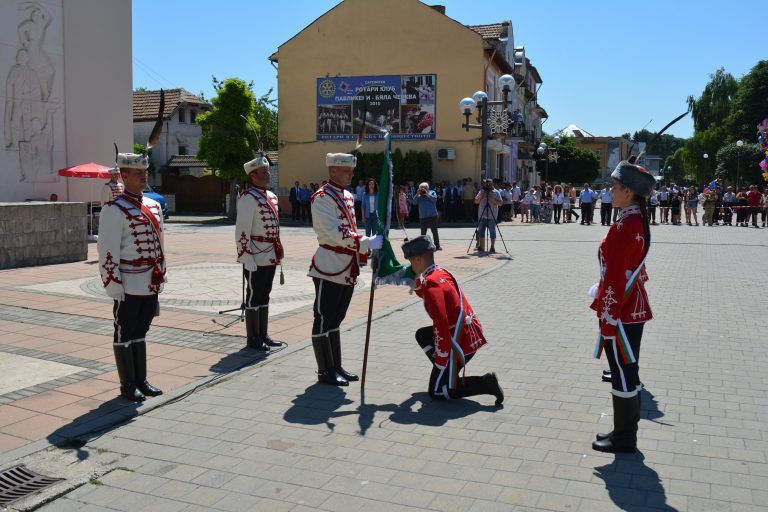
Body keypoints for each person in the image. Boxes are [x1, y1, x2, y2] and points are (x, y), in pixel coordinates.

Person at [590, 160, 654, 453]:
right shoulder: (636, 221)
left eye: (614, 187)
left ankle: (625, 436)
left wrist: (608, 319)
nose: (610, 191)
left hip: (622, 309)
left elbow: (615, 279)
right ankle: (626, 432)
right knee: (629, 369)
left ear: (628, 192)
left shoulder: (622, 227)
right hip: (634, 305)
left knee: (622, 370)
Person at [308, 153, 383, 386]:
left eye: (351, 170)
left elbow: (350, 226)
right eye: (346, 170)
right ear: (333, 171)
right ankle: (325, 370)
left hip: (347, 266)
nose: (351, 173)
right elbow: (333, 232)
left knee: (336, 318)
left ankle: (335, 365)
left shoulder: (348, 196)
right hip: (329, 265)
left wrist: (365, 247)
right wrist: (365, 242)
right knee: (323, 317)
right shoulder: (322, 198)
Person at [401, 236, 503, 405]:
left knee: (437, 392)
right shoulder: (438, 272)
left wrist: (441, 359)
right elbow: (427, 294)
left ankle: (485, 383)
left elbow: (440, 323)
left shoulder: (432, 283)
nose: (410, 265)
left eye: (411, 260)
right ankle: (447, 373)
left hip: (459, 341)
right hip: (464, 332)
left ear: (418, 259)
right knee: (422, 335)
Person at [97, 150, 165, 402]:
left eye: (145, 172)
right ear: (123, 176)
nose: (143, 176)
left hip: (150, 280)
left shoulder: (153, 205)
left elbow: (160, 244)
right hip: (128, 282)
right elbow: (107, 251)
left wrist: (161, 274)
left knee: (142, 329)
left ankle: (141, 379)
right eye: (137, 173)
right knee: (125, 331)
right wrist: (113, 285)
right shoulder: (115, 209)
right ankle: (127, 384)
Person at [235, 154, 283, 351]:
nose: (268, 174)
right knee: (254, 294)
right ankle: (253, 337)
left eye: (268, 171)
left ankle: (263, 333)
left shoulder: (271, 196)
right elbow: (242, 230)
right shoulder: (247, 198)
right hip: (255, 254)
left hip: (270, 252)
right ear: (253, 176)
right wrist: (246, 256)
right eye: (263, 172)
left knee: (265, 293)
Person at [474, 179, 502, 252]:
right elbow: (476, 201)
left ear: (492, 184)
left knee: (492, 231)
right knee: (481, 231)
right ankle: (482, 247)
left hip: (492, 215)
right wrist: (481, 197)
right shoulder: (482, 191)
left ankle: (492, 247)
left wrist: (493, 200)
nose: (487, 185)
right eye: (486, 183)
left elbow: (501, 203)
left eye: (488, 183)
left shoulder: (496, 192)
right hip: (482, 215)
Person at [415, 181, 441, 250]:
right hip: (423, 216)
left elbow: (434, 200)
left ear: (427, 188)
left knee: (434, 231)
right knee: (423, 233)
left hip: (432, 215)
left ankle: (437, 246)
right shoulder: (419, 195)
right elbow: (414, 202)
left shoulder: (432, 192)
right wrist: (417, 194)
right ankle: (423, 247)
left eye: (424, 188)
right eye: (421, 188)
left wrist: (427, 194)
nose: (423, 189)